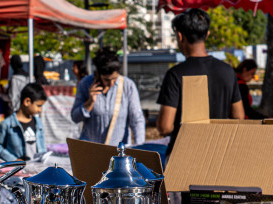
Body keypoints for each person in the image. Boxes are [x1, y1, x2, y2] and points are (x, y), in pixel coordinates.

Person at [157, 8, 244, 157]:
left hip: (184, 156)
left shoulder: (176, 74)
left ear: (179, 36)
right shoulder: (228, 71)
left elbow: (165, 127)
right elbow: (239, 116)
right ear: (207, 35)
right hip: (219, 154)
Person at [71, 48, 145, 145]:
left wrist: (140, 147)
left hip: (119, 152)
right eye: (106, 80)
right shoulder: (85, 84)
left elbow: (137, 120)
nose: (111, 83)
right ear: (98, 74)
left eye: (114, 79)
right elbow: (75, 118)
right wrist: (89, 102)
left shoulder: (128, 85)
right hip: (91, 150)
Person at [0, 83, 47, 161]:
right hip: (18, 171)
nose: (40, 110)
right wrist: (14, 160)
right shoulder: (7, 124)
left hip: (37, 169)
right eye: (38, 106)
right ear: (27, 102)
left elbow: (42, 147)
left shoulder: (39, 123)